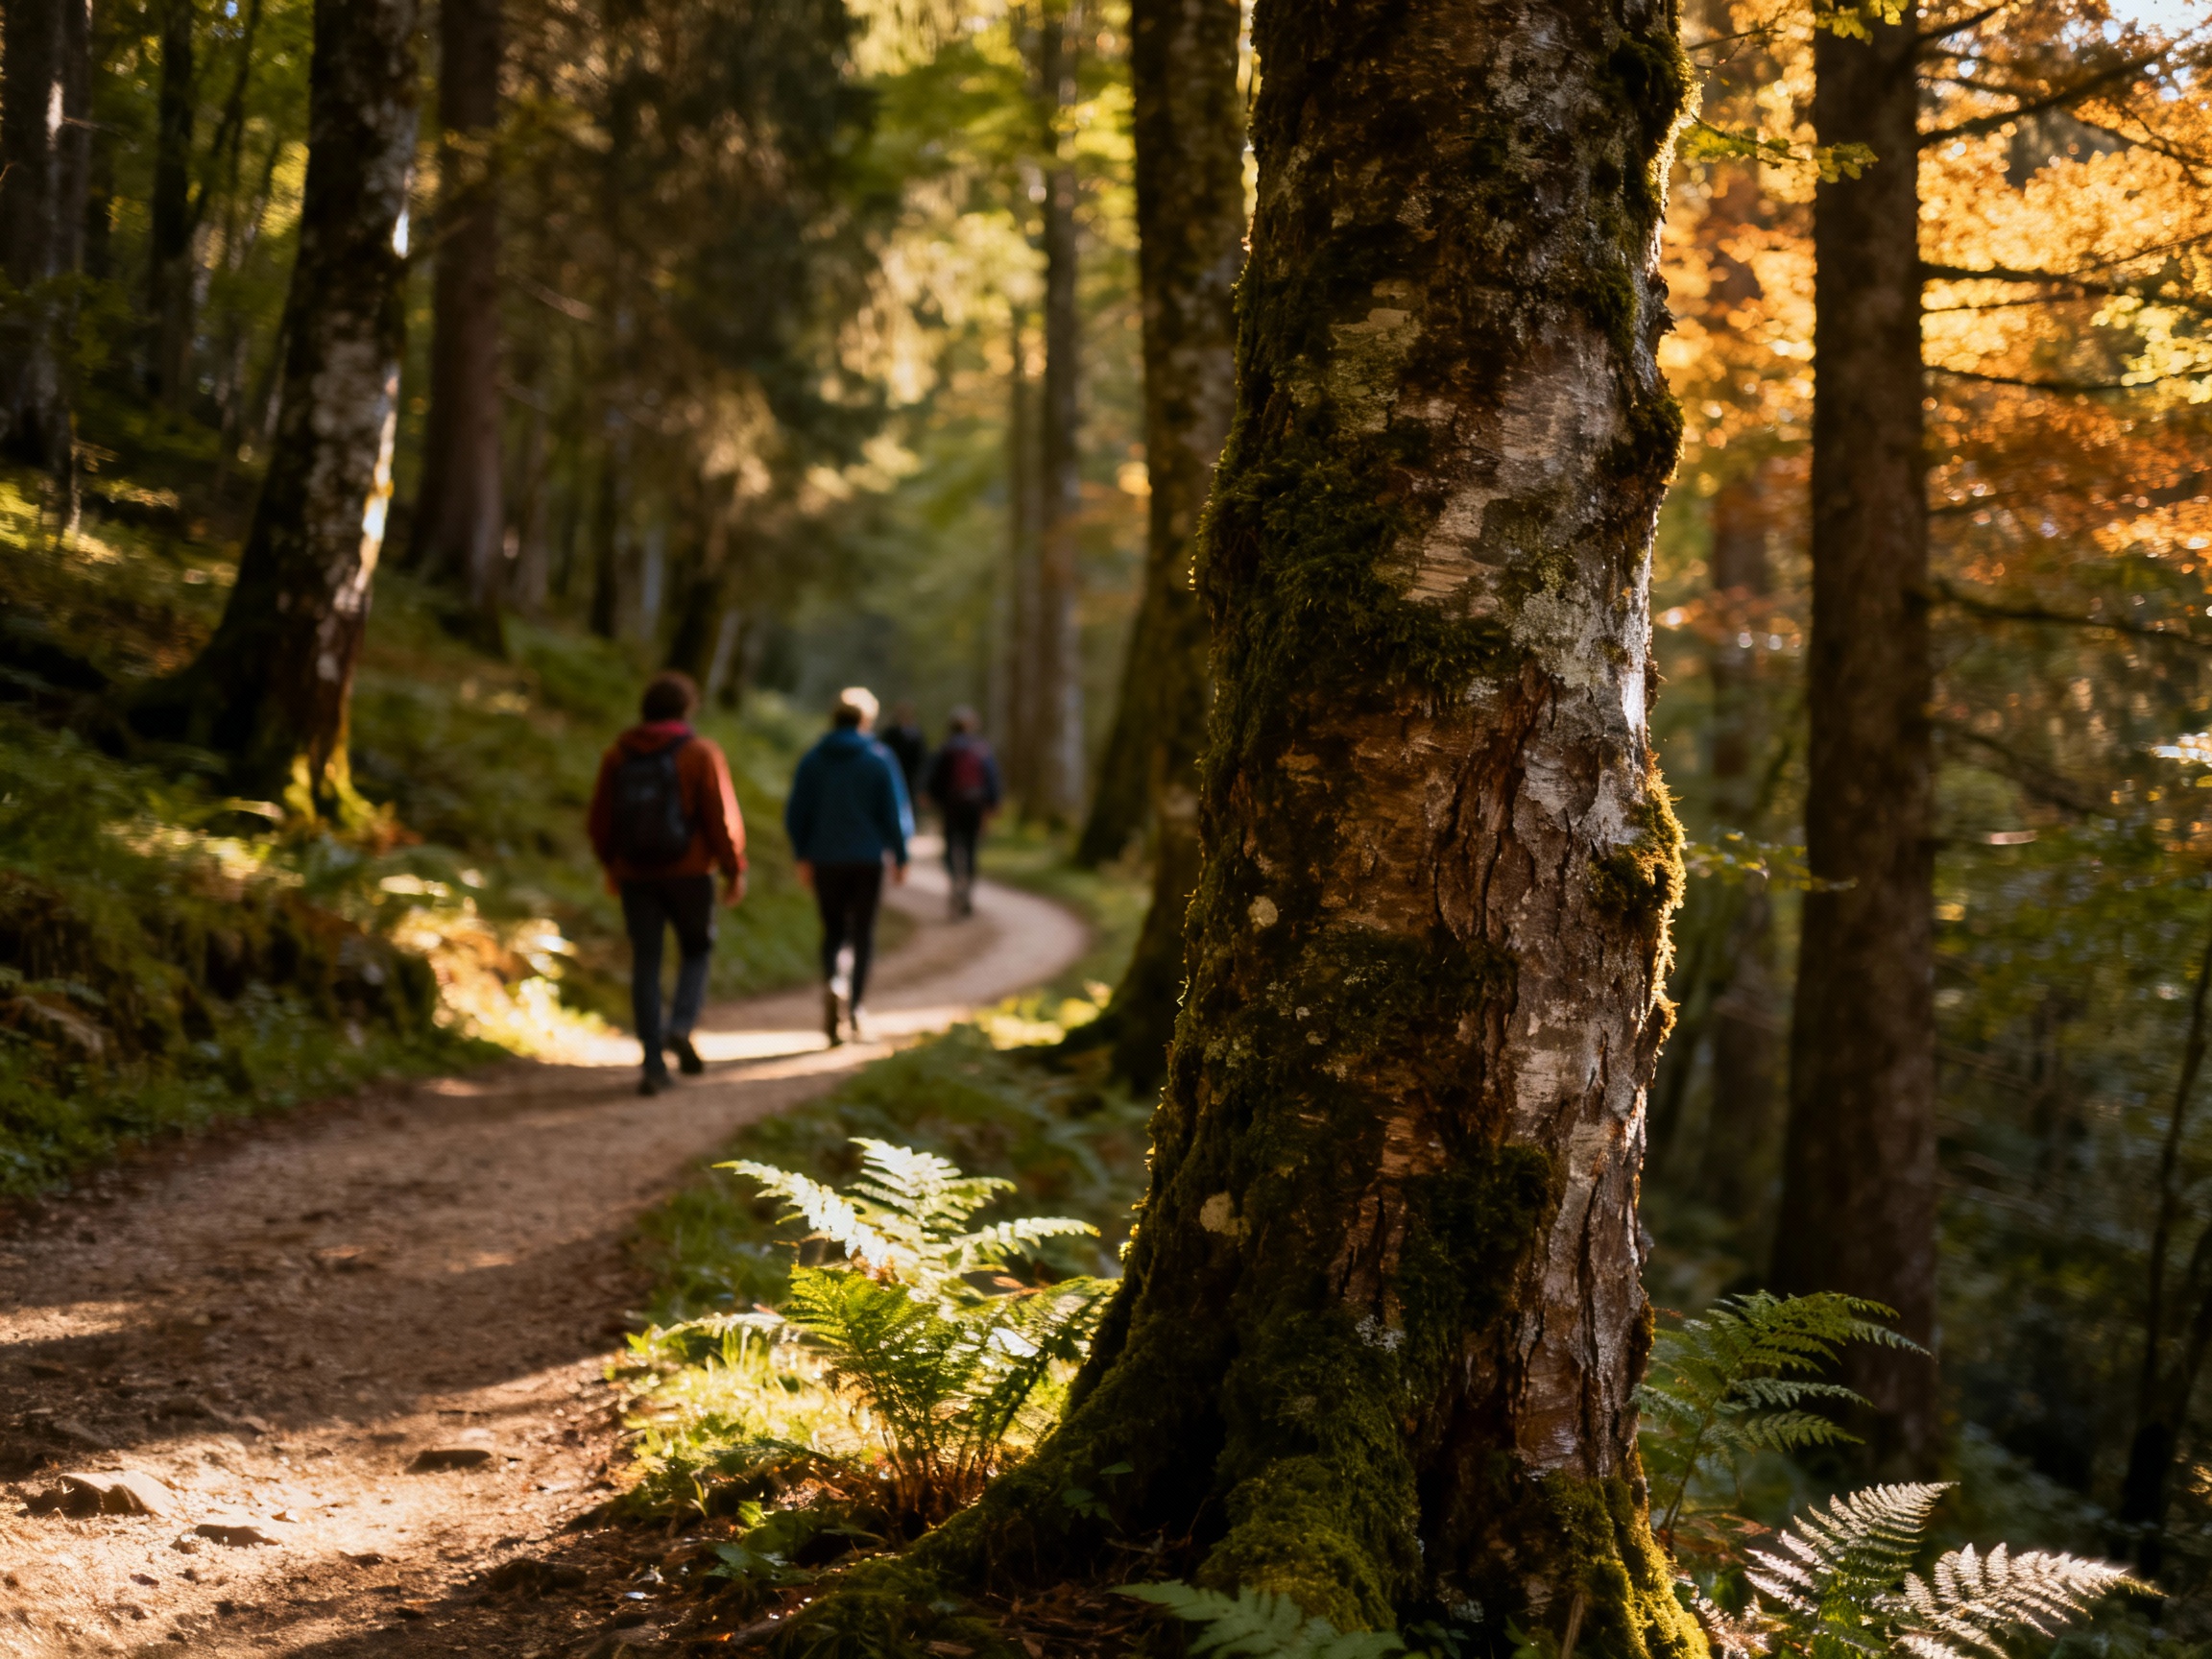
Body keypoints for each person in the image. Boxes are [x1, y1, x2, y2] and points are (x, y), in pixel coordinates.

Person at [587, 671, 747, 1096]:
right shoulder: (699, 752)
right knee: (697, 949)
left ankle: (652, 1062)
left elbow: (600, 822)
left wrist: (611, 865)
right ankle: (680, 1025)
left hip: (636, 874)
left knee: (646, 961)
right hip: (691, 873)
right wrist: (734, 869)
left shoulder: (618, 756)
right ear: (686, 709)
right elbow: (720, 817)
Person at [784, 685, 912, 1044]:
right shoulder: (879, 757)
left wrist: (802, 854)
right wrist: (900, 857)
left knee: (834, 931)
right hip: (868, 860)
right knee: (863, 933)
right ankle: (855, 1009)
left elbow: (796, 813)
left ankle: (833, 981)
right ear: (866, 720)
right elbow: (895, 812)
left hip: (825, 859)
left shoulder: (813, 759)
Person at [924, 707, 1001, 920]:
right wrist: (993, 804)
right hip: (975, 805)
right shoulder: (982, 749)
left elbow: (934, 780)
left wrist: (934, 801)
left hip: (952, 806)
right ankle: (966, 885)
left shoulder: (945, 749)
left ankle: (955, 877)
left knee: (950, 847)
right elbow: (992, 778)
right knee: (971, 848)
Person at [878, 700, 929, 812]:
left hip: (910, 777)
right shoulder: (890, 733)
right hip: (896, 775)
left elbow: (921, 760)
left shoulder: (915, 734)